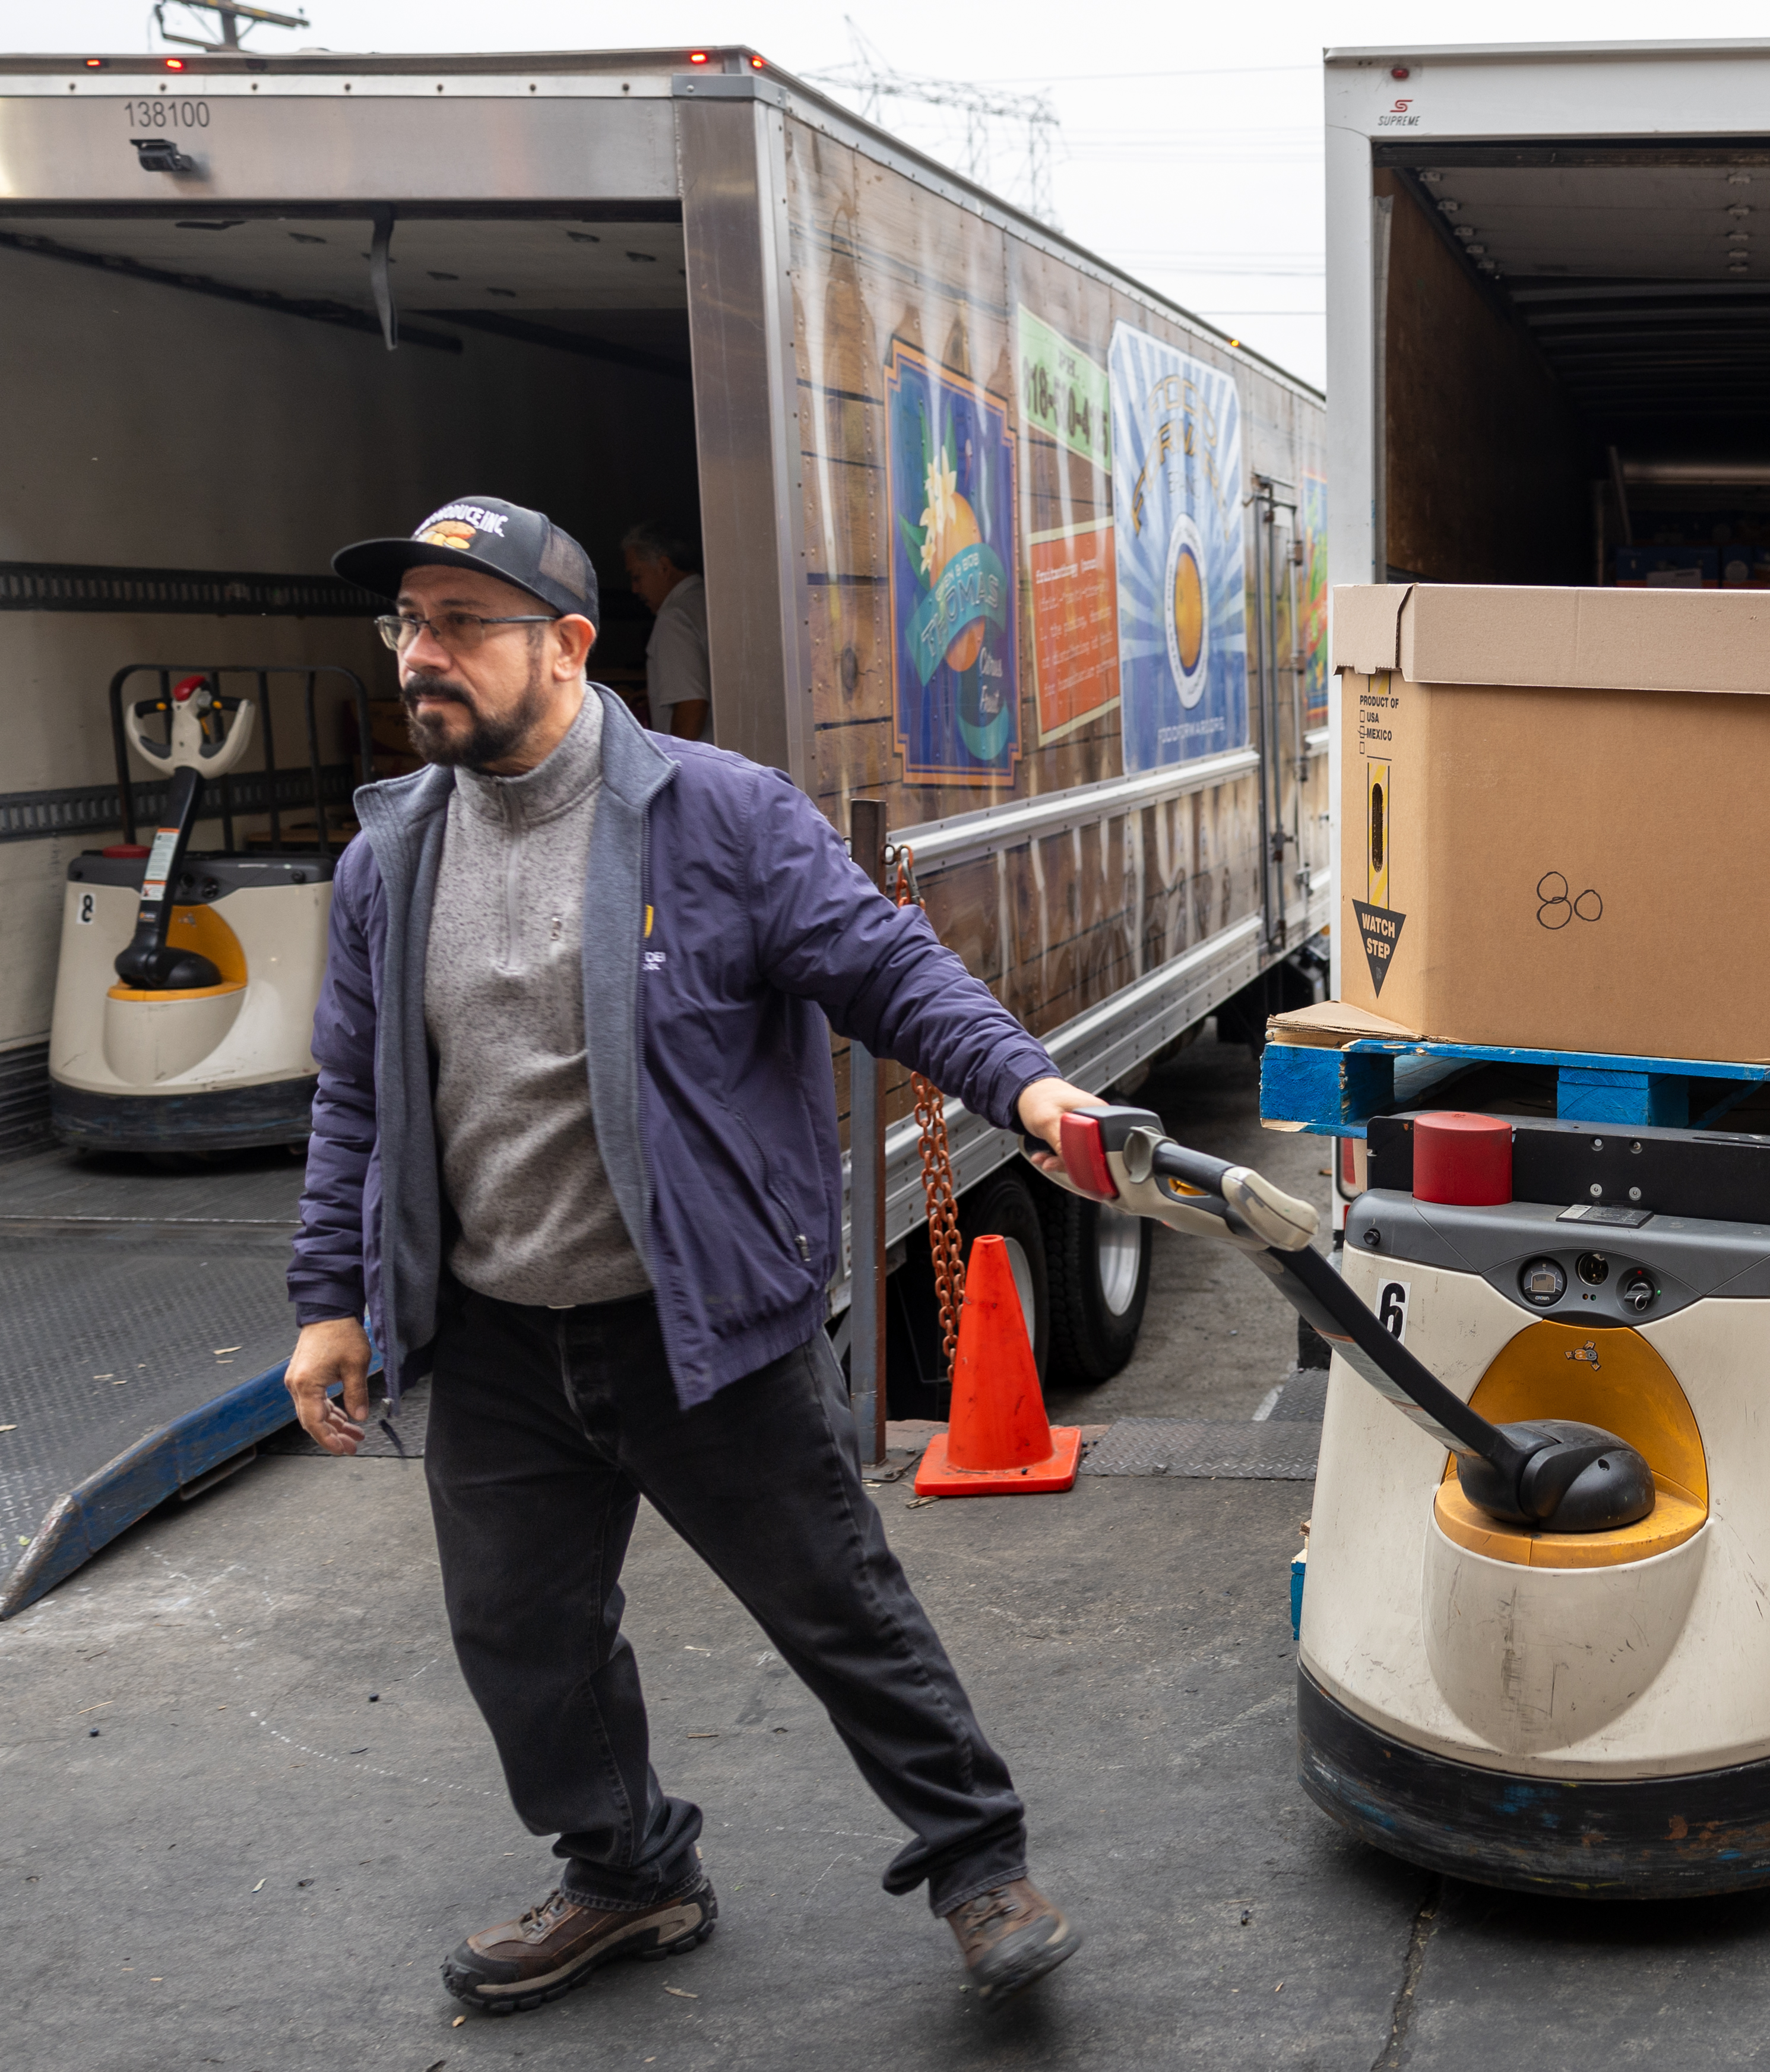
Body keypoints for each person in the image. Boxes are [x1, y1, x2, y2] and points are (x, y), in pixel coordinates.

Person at [286, 494, 1100, 2014]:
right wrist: (330, 1297)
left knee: (836, 1603)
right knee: (523, 1635)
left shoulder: (716, 815)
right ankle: (628, 1870)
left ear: (569, 645)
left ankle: (978, 1860)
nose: (421, 658)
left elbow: (886, 968)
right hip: (498, 1331)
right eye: (406, 625)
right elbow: (355, 1090)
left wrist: (1032, 1091)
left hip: (700, 1319)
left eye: (461, 625)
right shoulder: (387, 856)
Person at [621, 519, 710, 741]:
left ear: (664, 567)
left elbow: (692, 705)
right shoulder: (709, 602)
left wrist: (675, 770)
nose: (635, 589)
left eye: (637, 576)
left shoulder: (674, 618)